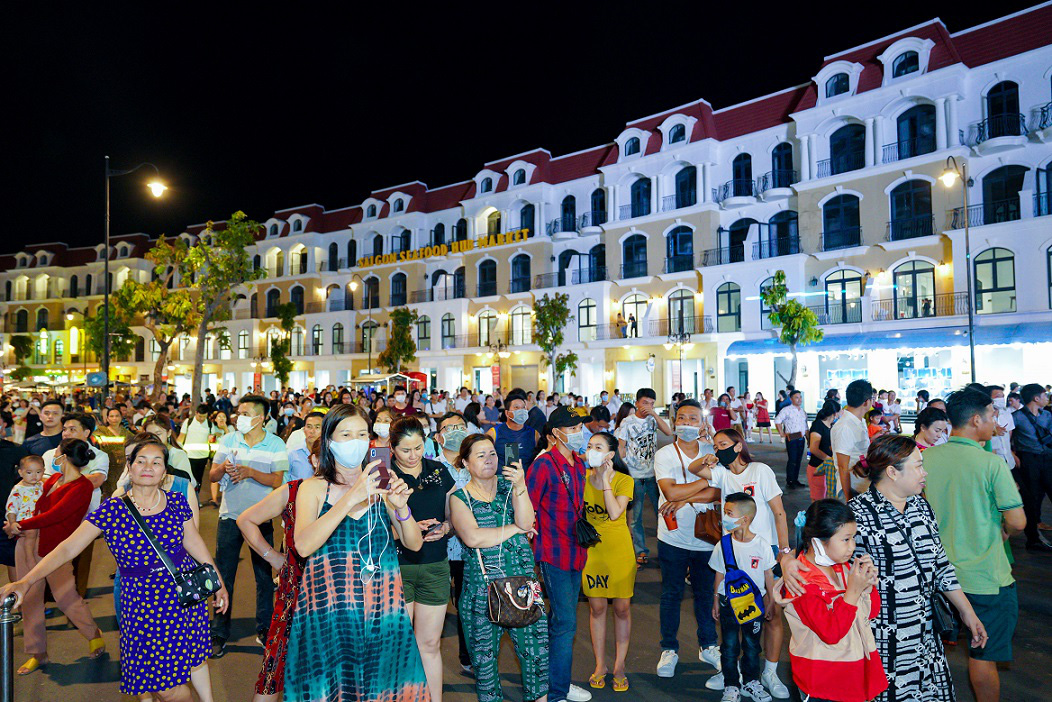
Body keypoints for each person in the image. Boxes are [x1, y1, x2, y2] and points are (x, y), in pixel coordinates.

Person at [4, 436, 226, 701]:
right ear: (129, 467)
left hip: (182, 598)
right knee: (162, 686)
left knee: (183, 667)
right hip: (140, 603)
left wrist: (218, 581)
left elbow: (194, 542)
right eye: (141, 461)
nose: (148, 467)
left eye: (156, 462)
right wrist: (25, 582)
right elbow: (67, 548)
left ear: (164, 470)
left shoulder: (176, 502)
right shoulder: (113, 510)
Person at [284, 403, 427, 702]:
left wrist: (401, 509)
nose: (355, 441)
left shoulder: (383, 483)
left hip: (383, 602)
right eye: (346, 434)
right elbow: (304, 545)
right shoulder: (313, 488)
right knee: (334, 685)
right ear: (329, 441)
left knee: (384, 684)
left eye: (362, 434)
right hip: (329, 604)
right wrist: (351, 498)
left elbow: (413, 543)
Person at [855, 432, 992, 702]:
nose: (924, 472)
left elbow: (940, 566)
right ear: (892, 472)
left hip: (926, 634)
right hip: (884, 642)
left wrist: (967, 613)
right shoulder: (857, 516)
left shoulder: (921, 507)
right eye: (918, 465)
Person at [683, 429, 794, 698]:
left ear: (738, 445)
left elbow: (778, 512)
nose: (719, 448)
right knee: (734, 612)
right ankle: (733, 671)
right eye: (716, 444)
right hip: (734, 552)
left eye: (723, 444)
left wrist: (784, 550)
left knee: (771, 613)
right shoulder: (722, 473)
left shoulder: (760, 471)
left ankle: (769, 671)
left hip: (764, 548)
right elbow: (693, 467)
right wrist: (708, 457)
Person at [449, 433, 548, 702]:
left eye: (492, 453)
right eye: (480, 455)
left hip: (524, 586)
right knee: (485, 667)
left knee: (537, 659)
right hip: (482, 593)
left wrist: (520, 486)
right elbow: (473, 538)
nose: (489, 459)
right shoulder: (459, 498)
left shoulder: (511, 487)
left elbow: (527, 521)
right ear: (466, 463)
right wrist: (515, 529)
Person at [2, 439, 104, 676]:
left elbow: (54, 515)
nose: (53, 454)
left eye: (57, 451)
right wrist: (14, 524)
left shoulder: (82, 487)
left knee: (66, 596)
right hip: (27, 542)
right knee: (29, 599)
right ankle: (38, 653)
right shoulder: (53, 479)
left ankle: (93, 635)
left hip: (57, 550)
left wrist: (20, 524)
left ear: (64, 456)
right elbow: (35, 506)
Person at [777, 499, 888, 702]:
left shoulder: (842, 567)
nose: (852, 546)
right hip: (823, 682)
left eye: (853, 538)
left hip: (851, 673)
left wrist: (868, 585)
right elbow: (831, 633)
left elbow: (870, 614)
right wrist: (853, 592)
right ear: (818, 541)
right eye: (846, 539)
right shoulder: (802, 582)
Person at [207, 395, 288, 658]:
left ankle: (265, 629)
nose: (239, 416)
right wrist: (223, 468)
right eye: (238, 412)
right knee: (223, 577)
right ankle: (219, 631)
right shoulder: (229, 439)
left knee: (264, 579)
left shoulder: (275, 443)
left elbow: (278, 481)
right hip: (229, 517)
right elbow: (212, 475)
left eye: (245, 412)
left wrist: (250, 471)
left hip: (261, 520)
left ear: (261, 417)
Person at [526, 406, 594, 702]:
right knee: (564, 622)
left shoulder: (578, 463)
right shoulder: (543, 465)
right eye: (573, 427)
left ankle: (560, 684)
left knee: (565, 622)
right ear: (555, 434)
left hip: (577, 551)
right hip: (553, 553)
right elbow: (527, 509)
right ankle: (555, 693)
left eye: (580, 426)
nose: (579, 432)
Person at [387, 416, 456, 702]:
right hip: (395, 567)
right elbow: (369, 525)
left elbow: (454, 512)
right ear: (392, 449)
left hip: (435, 566)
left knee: (429, 644)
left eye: (419, 448)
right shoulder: (383, 475)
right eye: (405, 450)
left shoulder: (439, 471)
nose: (413, 455)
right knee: (398, 646)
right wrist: (404, 530)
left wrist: (447, 527)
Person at [651, 398, 720, 681]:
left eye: (693, 418)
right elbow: (670, 493)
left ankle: (708, 645)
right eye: (682, 418)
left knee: (705, 594)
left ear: (702, 422)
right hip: (673, 536)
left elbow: (721, 492)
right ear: (674, 422)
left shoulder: (712, 451)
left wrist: (684, 497)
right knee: (671, 594)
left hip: (707, 536)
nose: (687, 424)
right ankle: (669, 649)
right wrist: (706, 479)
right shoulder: (665, 454)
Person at [238, 450, 311, 702]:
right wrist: (274, 558)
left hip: (338, 594)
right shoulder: (293, 490)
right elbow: (246, 520)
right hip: (295, 588)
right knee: (277, 659)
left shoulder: (353, 493)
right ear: (313, 460)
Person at [710, 493, 777, 702]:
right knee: (729, 646)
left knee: (752, 645)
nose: (725, 517)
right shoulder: (724, 544)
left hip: (754, 605)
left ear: (745, 519)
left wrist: (771, 602)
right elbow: (719, 574)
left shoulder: (762, 546)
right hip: (729, 603)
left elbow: (768, 575)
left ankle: (751, 681)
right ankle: (731, 685)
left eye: (729, 513)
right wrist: (715, 600)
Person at [581, 432, 634, 692]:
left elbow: (614, 513)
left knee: (622, 609)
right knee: (597, 609)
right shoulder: (580, 480)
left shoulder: (624, 480)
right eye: (590, 446)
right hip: (592, 553)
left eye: (598, 447)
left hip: (619, 552)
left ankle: (620, 665)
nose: (591, 450)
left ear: (610, 455)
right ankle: (600, 664)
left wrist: (604, 481)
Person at [42, 412, 110, 597]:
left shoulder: (98, 456)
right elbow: (44, 484)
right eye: (65, 429)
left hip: (85, 519)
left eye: (73, 429)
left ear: (86, 432)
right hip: (53, 518)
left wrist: (63, 480)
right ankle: (50, 599)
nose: (66, 433)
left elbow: (96, 480)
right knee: (51, 560)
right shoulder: (50, 455)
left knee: (80, 564)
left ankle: (76, 601)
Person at [614, 388, 673, 568]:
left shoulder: (652, 419)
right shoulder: (627, 422)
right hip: (635, 475)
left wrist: (654, 414)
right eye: (645, 403)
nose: (648, 406)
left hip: (654, 475)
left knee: (663, 514)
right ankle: (640, 551)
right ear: (637, 403)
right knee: (636, 517)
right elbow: (621, 447)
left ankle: (667, 550)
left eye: (652, 403)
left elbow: (668, 432)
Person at [1011, 383, 1052, 552]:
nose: (1047, 398)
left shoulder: (1047, 415)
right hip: (1028, 460)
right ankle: (1033, 539)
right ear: (1036, 398)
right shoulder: (1017, 416)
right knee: (1032, 499)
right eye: (1045, 396)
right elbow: (1008, 437)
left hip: (1048, 458)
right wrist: (1012, 453)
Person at [831, 379, 873, 501]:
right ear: (866, 402)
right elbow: (843, 466)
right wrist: (849, 498)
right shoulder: (845, 427)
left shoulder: (859, 421)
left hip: (862, 483)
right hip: (851, 489)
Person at [4, 455, 43, 583]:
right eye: (29, 472)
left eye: (38, 472)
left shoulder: (40, 485)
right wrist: (12, 522)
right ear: (20, 472)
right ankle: (29, 557)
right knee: (31, 532)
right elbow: (11, 508)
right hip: (24, 521)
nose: (34, 476)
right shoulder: (18, 489)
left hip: (37, 519)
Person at [487, 389, 540, 470]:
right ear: (507, 413)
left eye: (523, 408)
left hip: (525, 480)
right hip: (503, 480)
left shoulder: (534, 434)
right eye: (516, 407)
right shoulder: (494, 433)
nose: (521, 411)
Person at [143, 416, 194, 486]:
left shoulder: (178, 455)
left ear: (169, 433)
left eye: (158, 434)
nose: (154, 438)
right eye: (150, 435)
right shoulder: (143, 454)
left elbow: (187, 483)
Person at [774, 390, 808, 489]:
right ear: (791, 399)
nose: (799, 399)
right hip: (792, 437)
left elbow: (805, 427)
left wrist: (809, 439)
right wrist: (781, 433)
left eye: (800, 397)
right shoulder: (787, 410)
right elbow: (777, 421)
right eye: (796, 397)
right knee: (792, 459)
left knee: (798, 460)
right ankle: (790, 480)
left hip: (801, 437)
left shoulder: (802, 411)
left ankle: (795, 479)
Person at [807, 401, 840, 502]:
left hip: (828, 469)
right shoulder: (818, 426)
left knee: (827, 499)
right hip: (817, 468)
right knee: (818, 500)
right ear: (835, 413)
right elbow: (813, 448)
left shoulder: (831, 426)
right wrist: (829, 459)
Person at [179, 404, 214, 489]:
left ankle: (196, 498)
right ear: (196, 413)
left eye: (204, 417)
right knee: (188, 479)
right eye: (200, 416)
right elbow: (181, 437)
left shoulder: (209, 424)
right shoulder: (188, 422)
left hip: (203, 456)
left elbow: (212, 440)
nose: (202, 419)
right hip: (189, 456)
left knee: (198, 480)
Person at [286, 411, 324, 482]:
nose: (312, 431)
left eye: (317, 427)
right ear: (304, 429)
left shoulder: (330, 453)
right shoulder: (292, 452)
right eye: (309, 427)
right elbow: (284, 479)